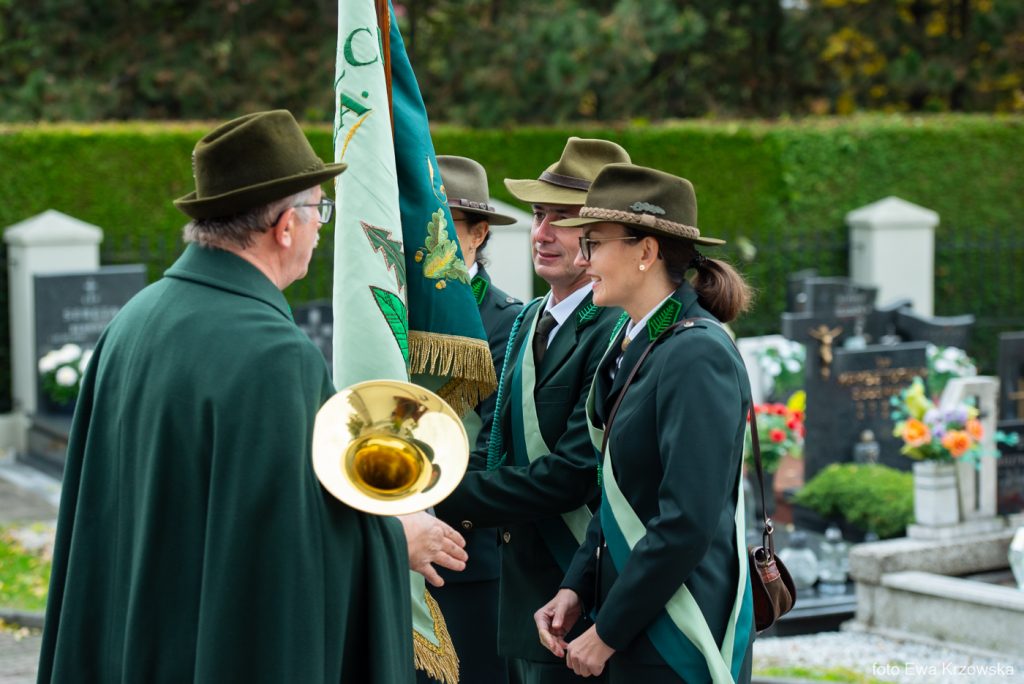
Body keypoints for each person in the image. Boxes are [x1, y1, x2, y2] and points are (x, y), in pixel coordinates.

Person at [37, 110, 465, 683]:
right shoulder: (274, 354)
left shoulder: (134, 319)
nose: (320, 228)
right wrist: (395, 538)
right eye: (319, 211)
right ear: (285, 226)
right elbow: (281, 551)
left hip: (137, 642)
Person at [534, 163, 756, 683]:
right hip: (640, 624)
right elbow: (620, 492)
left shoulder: (696, 353)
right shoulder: (638, 340)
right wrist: (575, 586)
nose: (582, 259)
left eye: (593, 243)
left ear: (646, 251)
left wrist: (608, 631)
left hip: (679, 632)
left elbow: (686, 522)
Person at [434, 137, 630, 684]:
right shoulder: (530, 319)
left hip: (583, 593)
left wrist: (437, 498)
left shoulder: (617, 328)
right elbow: (494, 448)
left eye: (562, 219)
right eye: (540, 214)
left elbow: (573, 474)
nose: (541, 233)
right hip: (525, 597)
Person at [428, 155, 523, 684]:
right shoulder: (393, 313)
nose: (425, 236)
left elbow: (495, 446)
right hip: (394, 550)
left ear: (478, 234)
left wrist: (418, 507)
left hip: (467, 558)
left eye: (442, 223)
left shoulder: (509, 322)